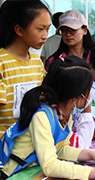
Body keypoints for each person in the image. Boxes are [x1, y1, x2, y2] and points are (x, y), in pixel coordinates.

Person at [0, 55, 95, 179]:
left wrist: (92, 155)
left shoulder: (65, 114)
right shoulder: (41, 116)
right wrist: (94, 173)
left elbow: (61, 149)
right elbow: (50, 166)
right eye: (88, 91)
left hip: (33, 170)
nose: (90, 96)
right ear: (76, 96)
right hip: (13, 173)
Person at [0, 0, 50, 138]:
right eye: (40, 29)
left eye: (48, 29)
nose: (45, 35)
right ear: (19, 30)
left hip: (30, 143)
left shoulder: (37, 62)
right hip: (5, 148)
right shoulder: (2, 63)